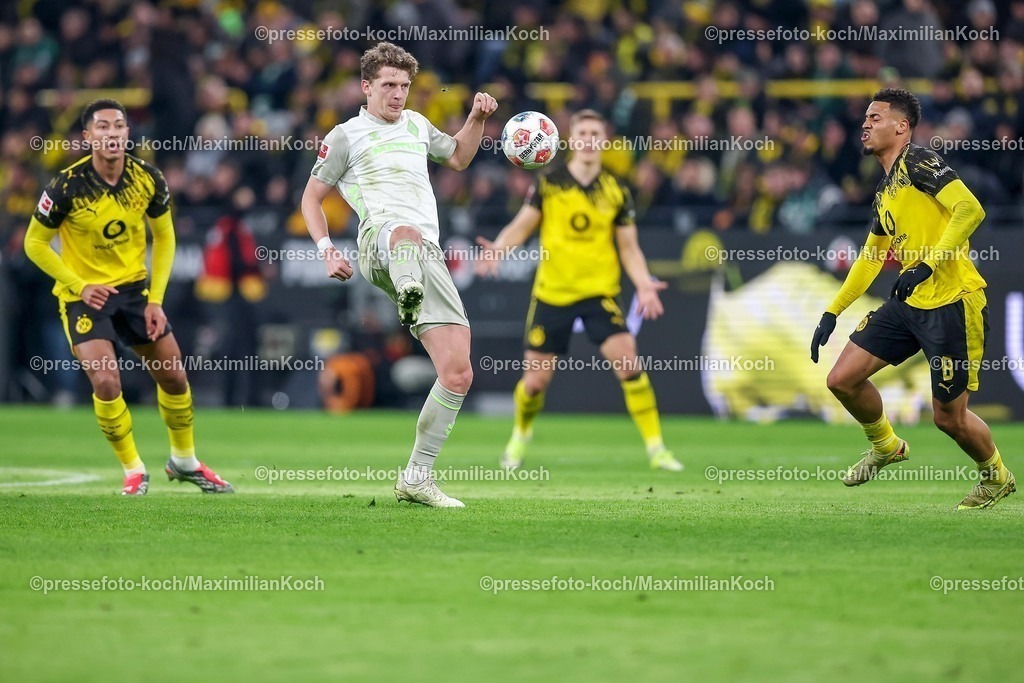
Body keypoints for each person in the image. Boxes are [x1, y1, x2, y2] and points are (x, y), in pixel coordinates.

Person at [301, 42, 496, 508]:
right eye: (388, 85)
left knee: (458, 372)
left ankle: (416, 476)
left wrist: (478, 119)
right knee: (402, 231)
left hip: (425, 253)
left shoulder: (417, 124)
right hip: (379, 242)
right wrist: (327, 251)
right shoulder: (346, 136)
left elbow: (461, 158)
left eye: (405, 86)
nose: (397, 95)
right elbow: (311, 199)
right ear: (366, 87)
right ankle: (406, 286)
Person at [810, 88, 1014, 510]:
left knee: (949, 418)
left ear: (901, 127)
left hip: (953, 301)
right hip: (910, 303)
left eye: (875, 117)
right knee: (841, 380)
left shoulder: (920, 161)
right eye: (864, 118)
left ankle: (996, 476)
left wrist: (929, 263)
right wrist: (832, 312)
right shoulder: (885, 191)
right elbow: (870, 258)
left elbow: (970, 209)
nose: (865, 124)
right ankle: (886, 445)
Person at [24, 99, 233, 495]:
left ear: (127, 133)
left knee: (173, 375)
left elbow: (166, 236)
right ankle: (133, 468)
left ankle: (184, 461)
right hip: (84, 296)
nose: (112, 134)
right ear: (87, 137)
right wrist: (78, 283)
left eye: (118, 126)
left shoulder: (148, 179)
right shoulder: (65, 186)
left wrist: (155, 300)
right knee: (105, 380)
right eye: (102, 127)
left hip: (135, 292)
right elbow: (34, 243)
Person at [477, 109, 682, 472]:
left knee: (629, 365)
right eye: (583, 132)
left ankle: (657, 449)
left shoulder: (616, 190)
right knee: (536, 383)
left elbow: (629, 248)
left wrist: (644, 284)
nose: (589, 139)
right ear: (572, 140)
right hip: (553, 293)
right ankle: (519, 437)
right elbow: (521, 227)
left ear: (603, 141)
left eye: (595, 132)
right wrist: (498, 248)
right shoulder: (548, 183)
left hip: (599, 293)